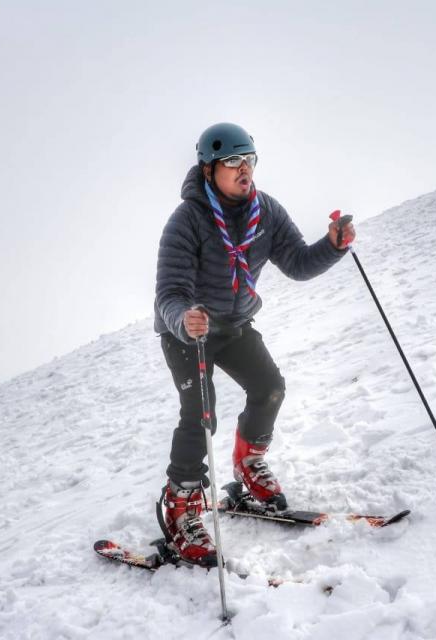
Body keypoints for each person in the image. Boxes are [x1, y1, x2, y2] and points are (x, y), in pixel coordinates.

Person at [153, 123, 356, 566]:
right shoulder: (187, 221)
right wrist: (184, 320)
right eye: (232, 162)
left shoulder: (265, 211)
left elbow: (299, 264)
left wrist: (333, 246)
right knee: (200, 414)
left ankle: (248, 466)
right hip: (189, 331)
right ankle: (180, 507)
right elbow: (168, 294)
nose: (244, 169)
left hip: (235, 324)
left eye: (249, 160)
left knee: (269, 388)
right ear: (209, 170)